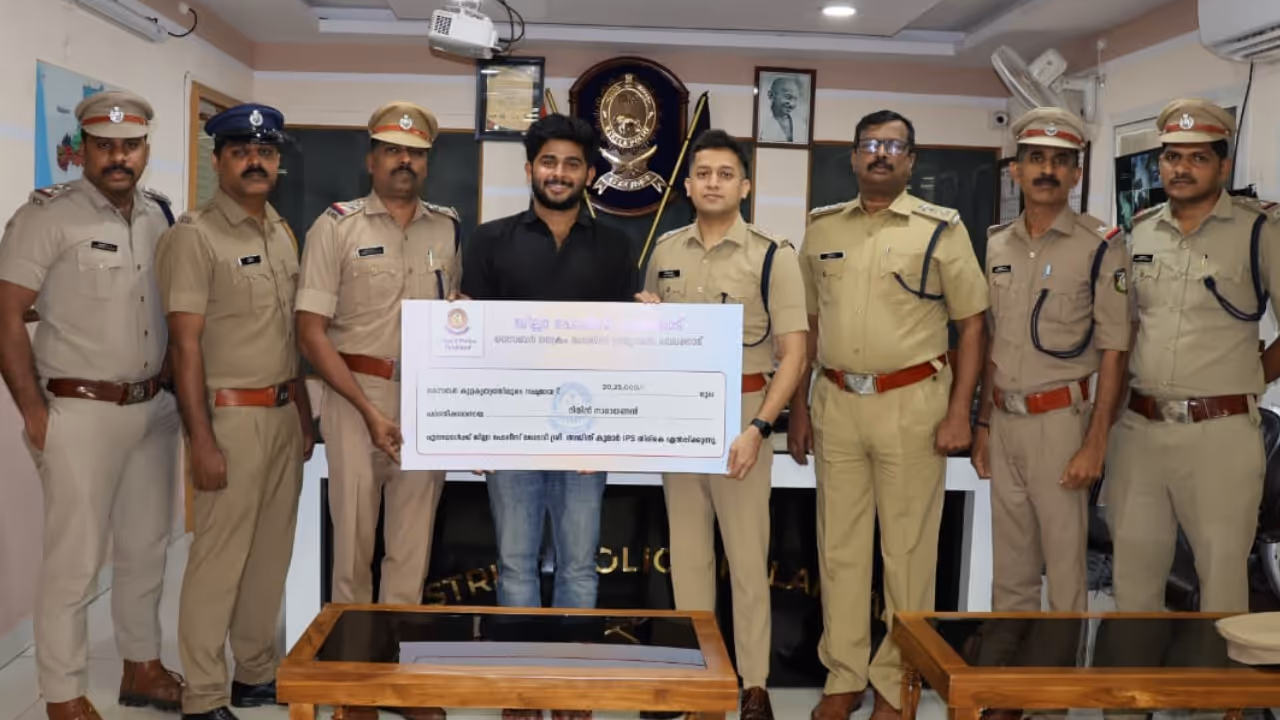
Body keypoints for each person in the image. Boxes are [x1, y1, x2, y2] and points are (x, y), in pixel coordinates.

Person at [787, 110, 988, 720]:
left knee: (907, 554)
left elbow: (972, 325)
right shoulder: (821, 227)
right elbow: (807, 325)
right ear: (853, 157)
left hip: (913, 404)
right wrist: (799, 408)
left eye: (894, 147)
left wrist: (960, 412)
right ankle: (844, 676)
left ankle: (899, 681)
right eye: (870, 145)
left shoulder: (942, 229)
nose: (881, 154)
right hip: (836, 402)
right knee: (840, 550)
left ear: (911, 161)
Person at [0, 90, 183, 720]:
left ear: (145, 150)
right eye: (104, 145)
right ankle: (63, 694)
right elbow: (6, 315)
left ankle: (141, 666)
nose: (118, 157)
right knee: (74, 564)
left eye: (129, 145)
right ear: (83, 149)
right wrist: (33, 411)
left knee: (146, 550)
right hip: (79, 412)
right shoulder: (46, 216)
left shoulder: (160, 216)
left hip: (153, 409)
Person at [460, 112, 635, 720]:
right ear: (530, 168)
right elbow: (474, 345)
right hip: (511, 434)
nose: (559, 173)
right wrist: (476, 430)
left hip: (587, 434)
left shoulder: (616, 246)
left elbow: (625, 346)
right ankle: (523, 688)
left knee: (580, 567)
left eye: (571, 164)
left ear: (588, 174)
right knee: (515, 565)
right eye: (549, 162)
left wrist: (651, 322)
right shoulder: (487, 241)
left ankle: (572, 686)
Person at [635, 129, 809, 720]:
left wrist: (759, 428)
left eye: (725, 174)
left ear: (745, 186)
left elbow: (795, 354)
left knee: (747, 559)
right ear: (687, 185)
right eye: (704, 173)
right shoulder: (666, 251)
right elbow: (651, 344)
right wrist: (645, 320)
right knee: (688, 561)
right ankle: (698, 683)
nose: (713, 183)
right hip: (678, 415)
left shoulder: (772, 255)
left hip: (743, 415)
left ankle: (754, 685)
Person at [295, 101, 458, 720]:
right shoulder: (335, 227)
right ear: (371, 160)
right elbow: (311, 332)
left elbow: (453, 315)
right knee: (353, 552)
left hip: (426, 404)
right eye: (393, 150)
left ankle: (398, 683)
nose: (404, 161)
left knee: (410, 555)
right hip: (353, 396)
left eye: (415, 153)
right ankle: (353, 685)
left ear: (427, 163)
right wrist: (367, 410)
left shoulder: (447, 228)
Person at [157, 103, 314, 720]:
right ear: (219, 161)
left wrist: (303, 414)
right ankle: (203, 694)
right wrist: (201, 440)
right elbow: (185, 346)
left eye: (266, 153)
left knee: (270, 557)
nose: (255, 162)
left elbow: (289, 338)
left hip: (282, 415)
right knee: (218, 561)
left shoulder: (281, 231)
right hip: (228, 420)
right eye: (242, 152)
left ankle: (254, 672)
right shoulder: (194, 236)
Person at [1108, 98, 1278, 614]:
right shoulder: (1140, 231)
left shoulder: (1259, 230)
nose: (1181, 168)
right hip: (1139, 432)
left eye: (1197, 157)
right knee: (1133, 584)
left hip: (1219, 437)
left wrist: (1250, 380)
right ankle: (1132, 673)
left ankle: (1215, 676)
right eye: (1172, 157)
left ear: (1223, 166)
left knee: (1221, 587)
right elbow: (1127, 328)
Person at [972, 107, 1131, 615]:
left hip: (1062, 424)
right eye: (1036, 158)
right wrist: (983, 424)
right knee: (1010, 570)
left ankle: (1059, 670)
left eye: (1060, 161)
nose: (1047, 170)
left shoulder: (1100, 246)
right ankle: (1008, 665)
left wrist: (1096, 442)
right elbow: (993, 340)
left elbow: (1115, 349)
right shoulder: (997, 243)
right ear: (1015, 171)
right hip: (1004, 422)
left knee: (1063, 572)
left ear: (1076, 175)